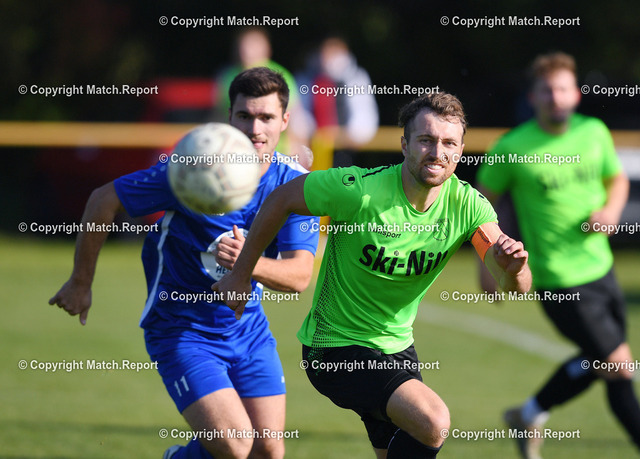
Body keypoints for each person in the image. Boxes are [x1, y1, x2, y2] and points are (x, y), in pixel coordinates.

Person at [213, 91, 532, 458]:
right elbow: (281, 199)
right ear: (405, 145)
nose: (437, 152)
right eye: (426, 140)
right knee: (433, 420)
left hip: (397, 349)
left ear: (460, 151)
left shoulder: (469, 207)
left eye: (448, 143)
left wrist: (515, 268)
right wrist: (241, 274)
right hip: (334, 348)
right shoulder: (359, 190)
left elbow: (513, 285)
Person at [49, 67, 319, 459]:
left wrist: (248, 263)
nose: (255, 128)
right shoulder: (194, 171)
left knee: (267, 451)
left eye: (266, 117)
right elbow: (103, 200)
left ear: (285, 121)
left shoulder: (294, 186)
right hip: (182, 328)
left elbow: (299, 276)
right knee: (235, 444)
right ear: (229, 117)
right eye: (245, 115)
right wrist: (80, 281)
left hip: (249, 331)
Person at [476, 52, 636, 459]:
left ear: (576, 94)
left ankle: (527, 415)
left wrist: (611, 211)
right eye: (546, 90)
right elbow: (479, 205)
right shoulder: (512, 147)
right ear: (533, 97)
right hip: (558, 280)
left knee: (603, 363)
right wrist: (487, 262)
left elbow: (617, 179)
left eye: (562, 89)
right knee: (618, 365)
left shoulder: (594, 132)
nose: (555, 97)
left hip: (602, 269)